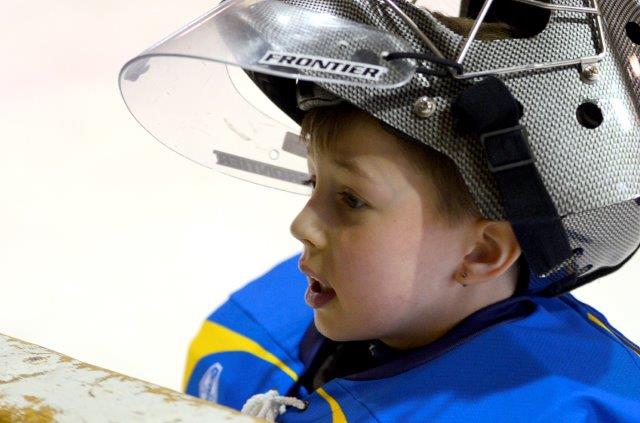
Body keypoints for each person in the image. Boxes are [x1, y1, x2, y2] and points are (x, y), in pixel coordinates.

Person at [119, 0, 640, 421]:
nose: (301, 225)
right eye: (314, 182)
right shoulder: (266, 338)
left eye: (352, 200)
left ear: (481, 253)